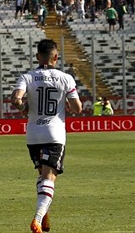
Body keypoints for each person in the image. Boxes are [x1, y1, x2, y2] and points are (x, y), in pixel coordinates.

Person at [11, 39, 82, 233]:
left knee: (43, 175)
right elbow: (77, 108)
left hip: (33, 134)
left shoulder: (27, 77)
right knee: (50, 176)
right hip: (54, 133)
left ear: (37, 57)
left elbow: (16, 98)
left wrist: (21, 105)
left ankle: (44, 216)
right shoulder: (65, 78)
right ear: (56, 57)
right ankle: (37, 218)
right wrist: (67, 103)